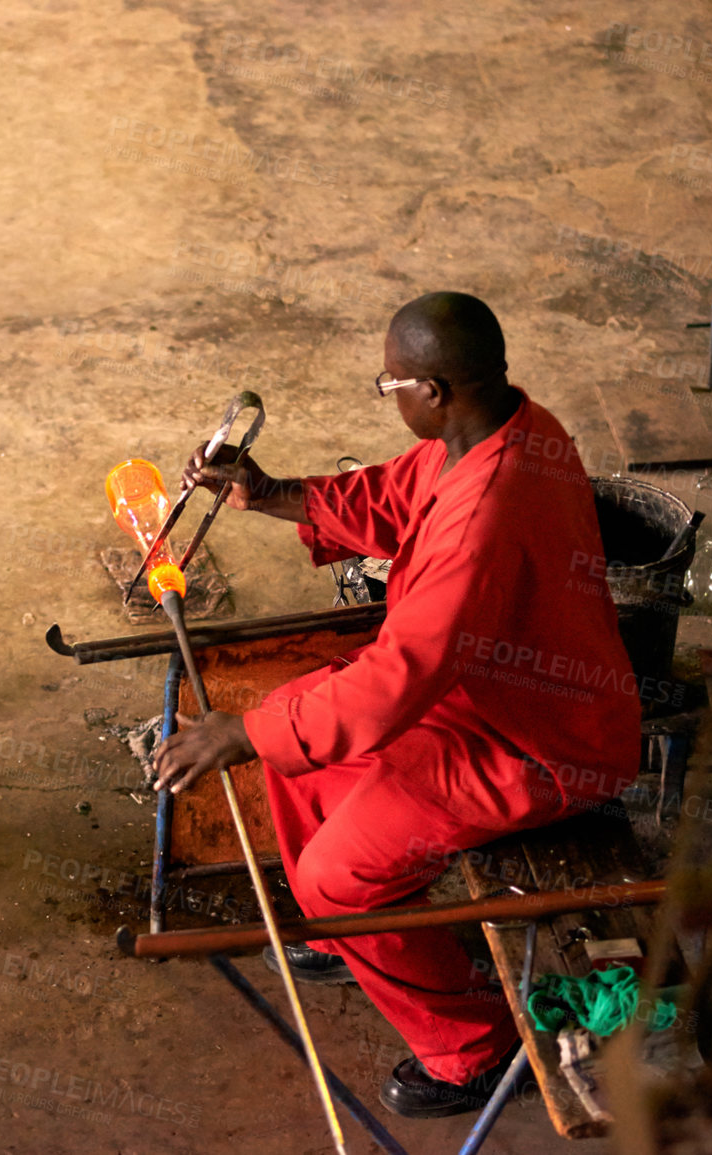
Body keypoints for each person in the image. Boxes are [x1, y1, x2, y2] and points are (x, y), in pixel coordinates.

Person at [150, 291, 642, 1118]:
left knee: (338, 869)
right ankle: (351, 935)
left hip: (539, 744)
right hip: (490, 697)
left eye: (392, 384)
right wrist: (274, 494)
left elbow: (397, 678)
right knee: (299, 727)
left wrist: (241, 733)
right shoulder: (498, 427)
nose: (388, 393)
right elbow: (395, 497)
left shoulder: (492, 506)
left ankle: (474, 1050)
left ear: (436, 391)